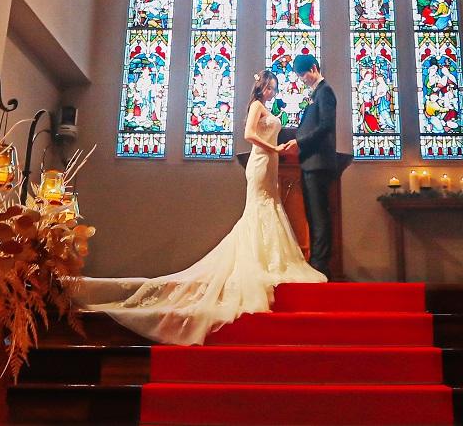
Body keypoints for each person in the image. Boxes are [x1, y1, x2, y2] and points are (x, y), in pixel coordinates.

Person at [73, 69, 324, 344]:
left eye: (275, 88)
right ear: (261, 87)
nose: (272, 92)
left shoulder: (266, 107)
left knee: (270, 205)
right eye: (269, 88)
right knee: (260, 208)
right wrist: (273, 149)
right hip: (262, 160)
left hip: (271, 162)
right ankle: (259, 260)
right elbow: (250, 134)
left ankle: (270, 258)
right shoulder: (256, 106)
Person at [277, 53, 339, 276]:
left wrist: (299, 142)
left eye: (302, 74)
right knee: (312, 215)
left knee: (319, 215)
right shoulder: (316, 94)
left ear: (313, 68)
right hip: (309, 162)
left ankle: (321, 265)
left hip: (318, 163)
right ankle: (316, 262)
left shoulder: (325, 92)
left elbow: (325, 126)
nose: (301, 79)